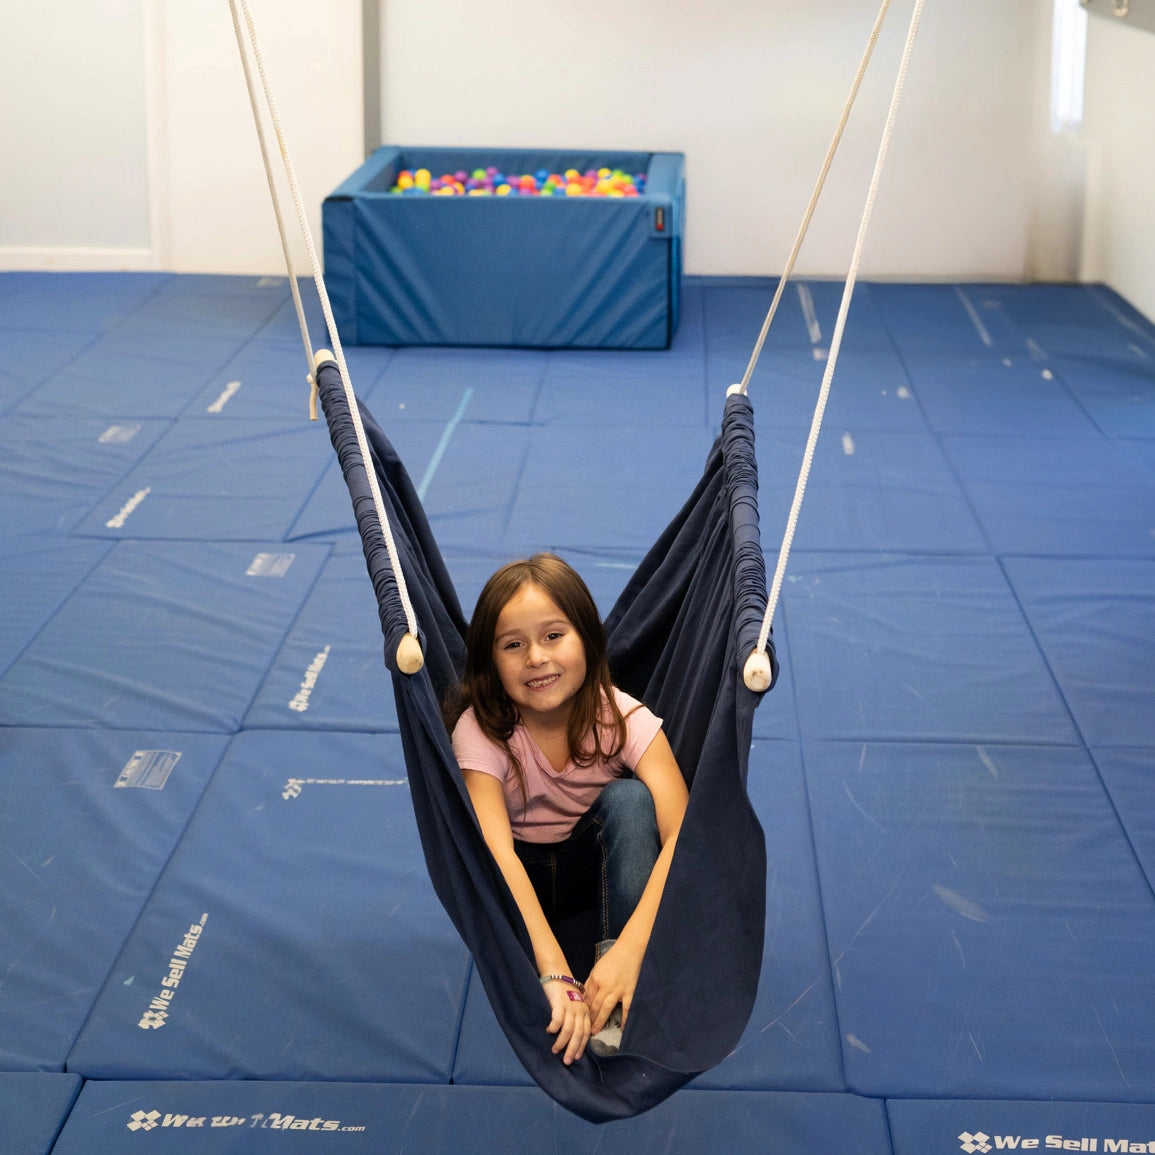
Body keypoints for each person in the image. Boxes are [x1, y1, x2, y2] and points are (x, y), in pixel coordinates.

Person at [450, 553, 688, 1066]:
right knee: (491, 852)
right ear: (491, 663)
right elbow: (496, 854)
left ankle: (615, 986)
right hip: (520, 879)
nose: (536, 657)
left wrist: (631, 951)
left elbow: (685, 835)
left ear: (588, 640)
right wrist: (554, 971)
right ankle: (565, 962)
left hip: (590, 873)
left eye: (554, 636)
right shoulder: (482, 730)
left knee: (630, 799)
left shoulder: (623, 717)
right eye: (513, 645)